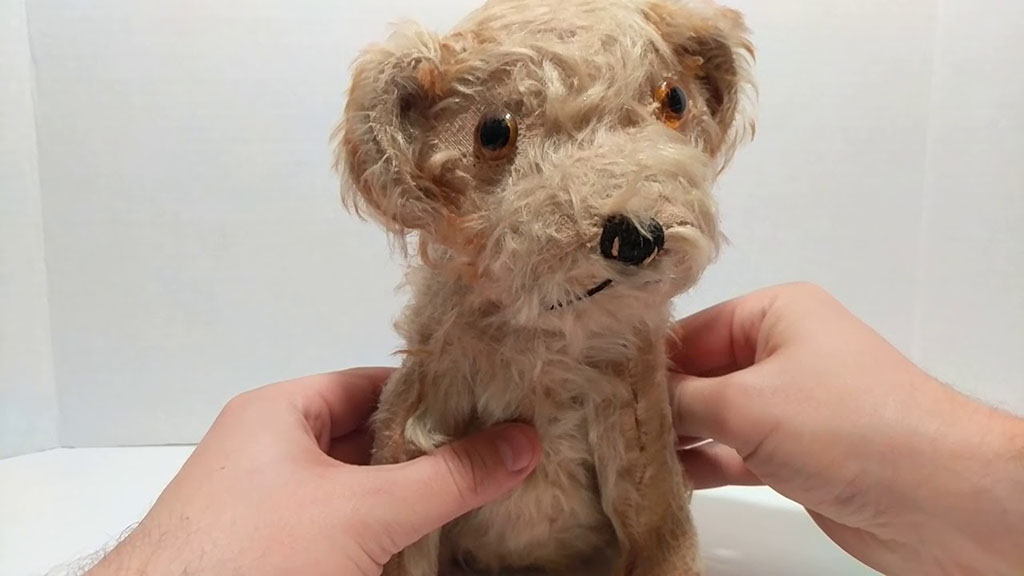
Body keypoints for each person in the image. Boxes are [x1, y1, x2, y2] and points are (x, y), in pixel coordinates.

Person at [84, 283, 1024, 576]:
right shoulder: (453, 344)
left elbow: (650, 492)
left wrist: (956, 482)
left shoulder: (632, 351)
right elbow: (411, 430)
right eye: (498, 135)